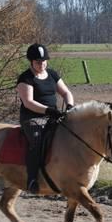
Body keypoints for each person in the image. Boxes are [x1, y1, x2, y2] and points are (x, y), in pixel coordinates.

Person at [17, 43, 74, 193]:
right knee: (37, 139)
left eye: (44, 61)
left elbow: (66, 93)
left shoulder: (52, 74)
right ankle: (32, 179)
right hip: (32, 118)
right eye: (38, 62)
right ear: (31, 62)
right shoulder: (25, 78)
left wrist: (69, 106)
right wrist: (48, 110)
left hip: (52, 116)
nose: (42, 64)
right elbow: (28, 103)